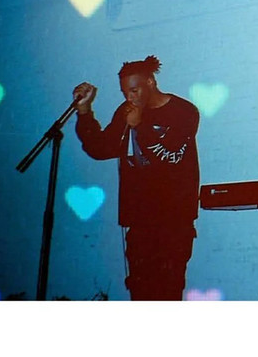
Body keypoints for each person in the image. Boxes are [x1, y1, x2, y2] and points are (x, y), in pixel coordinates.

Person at [72, 55, 200, 300]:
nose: (130, 98)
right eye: (125, 93)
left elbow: (171, 158)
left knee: (168, 289)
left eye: (134, 90)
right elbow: (100, 149)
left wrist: (140, 126)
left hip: (173, 219)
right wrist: (84, 111)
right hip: (139, 219)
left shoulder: (183, 112)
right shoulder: (126, 112)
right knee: (141, 290)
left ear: (150, 82)